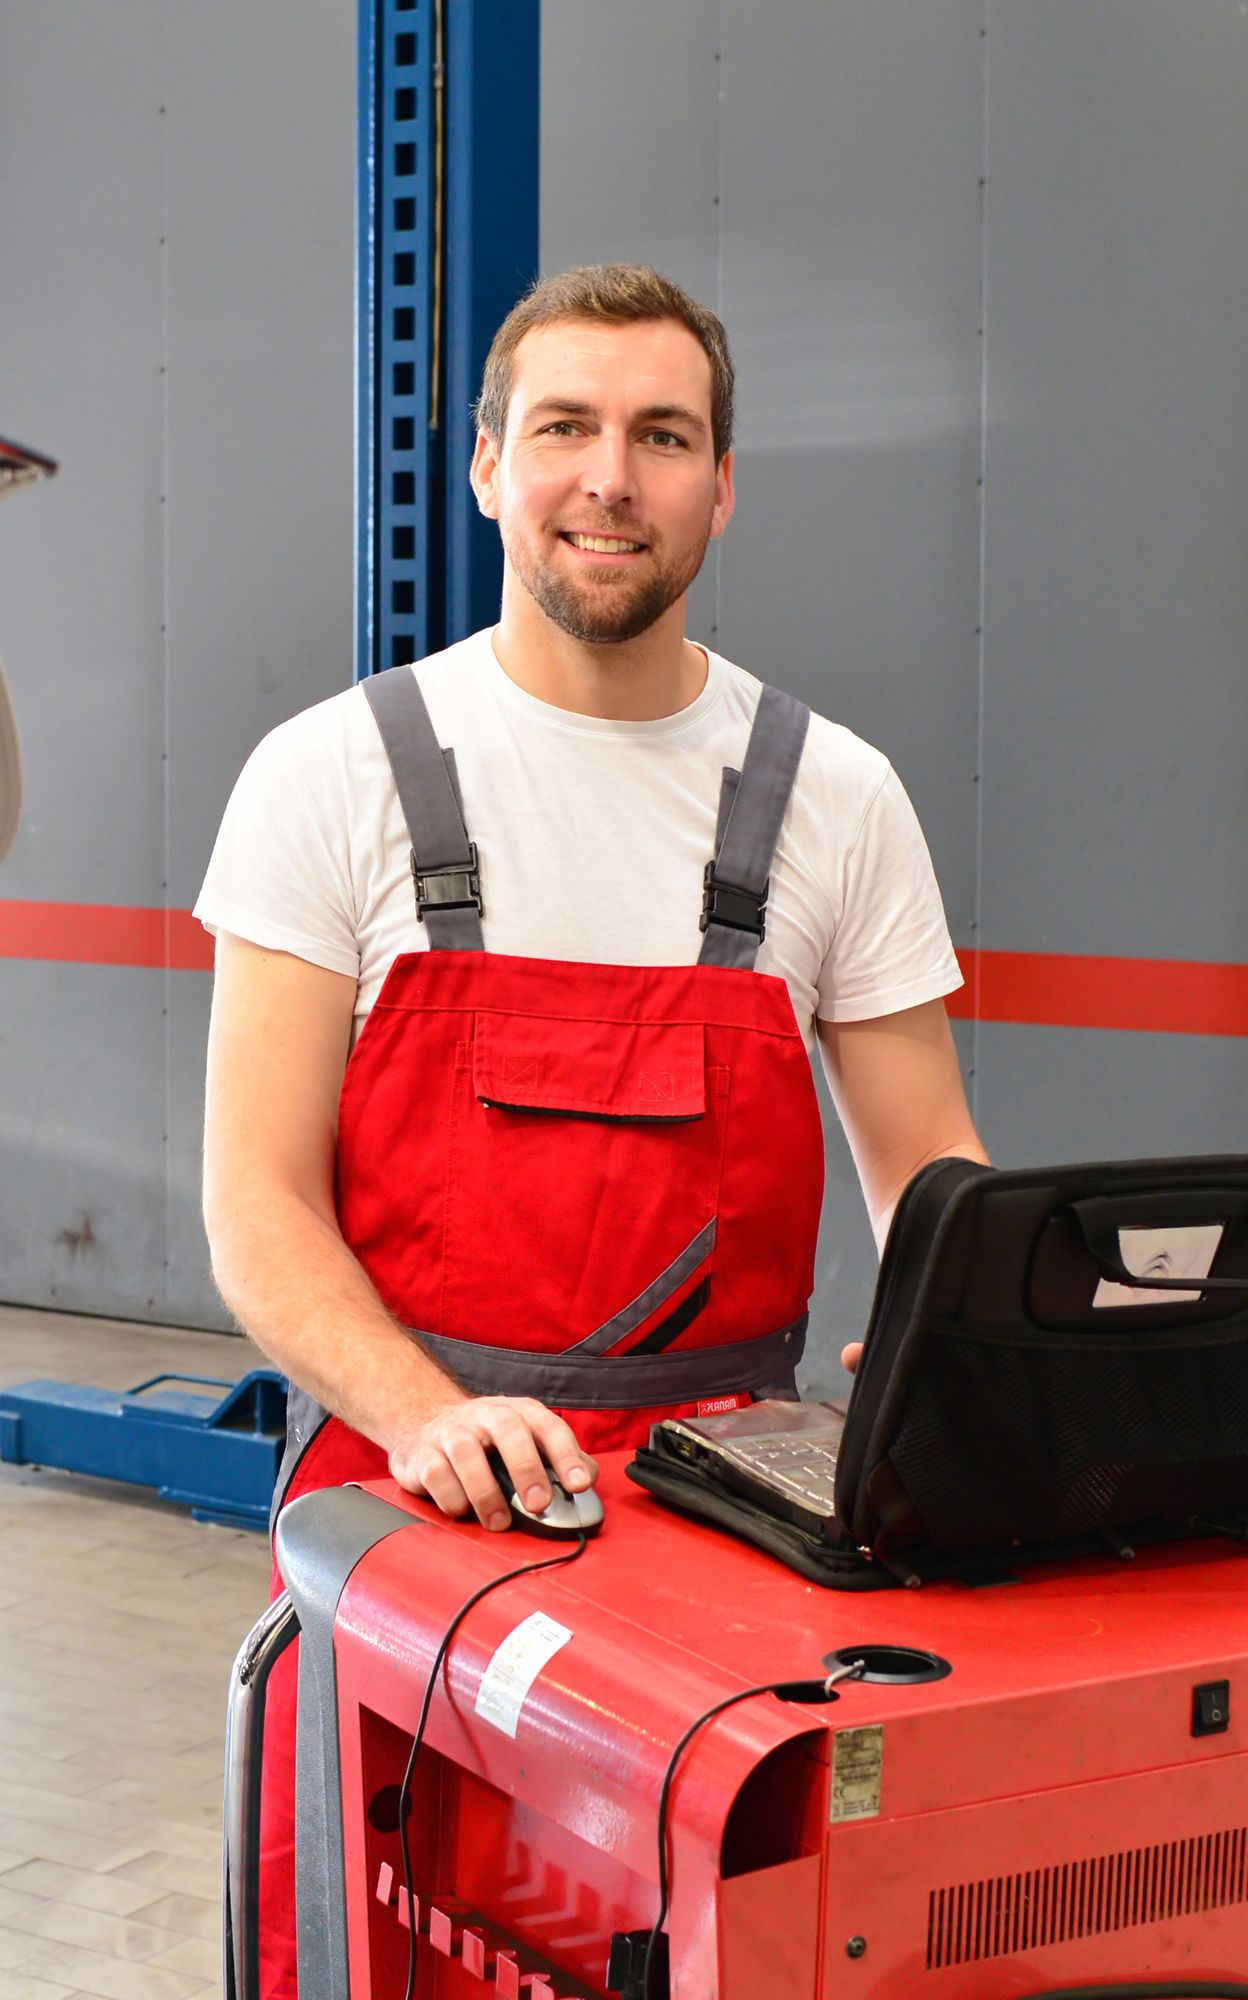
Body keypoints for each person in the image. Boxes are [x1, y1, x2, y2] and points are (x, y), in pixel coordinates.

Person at [195, 264, 988, 2000]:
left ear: (722, 486)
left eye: (662, 435)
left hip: (734, 1536)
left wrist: (969, 1342)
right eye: (563, 428)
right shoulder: (336, 774)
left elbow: (932, 1176)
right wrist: (424, 1413)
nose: (608, 476)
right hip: (413, 1512)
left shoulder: (831, 794)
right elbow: (254, 1202)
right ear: (487, 466)